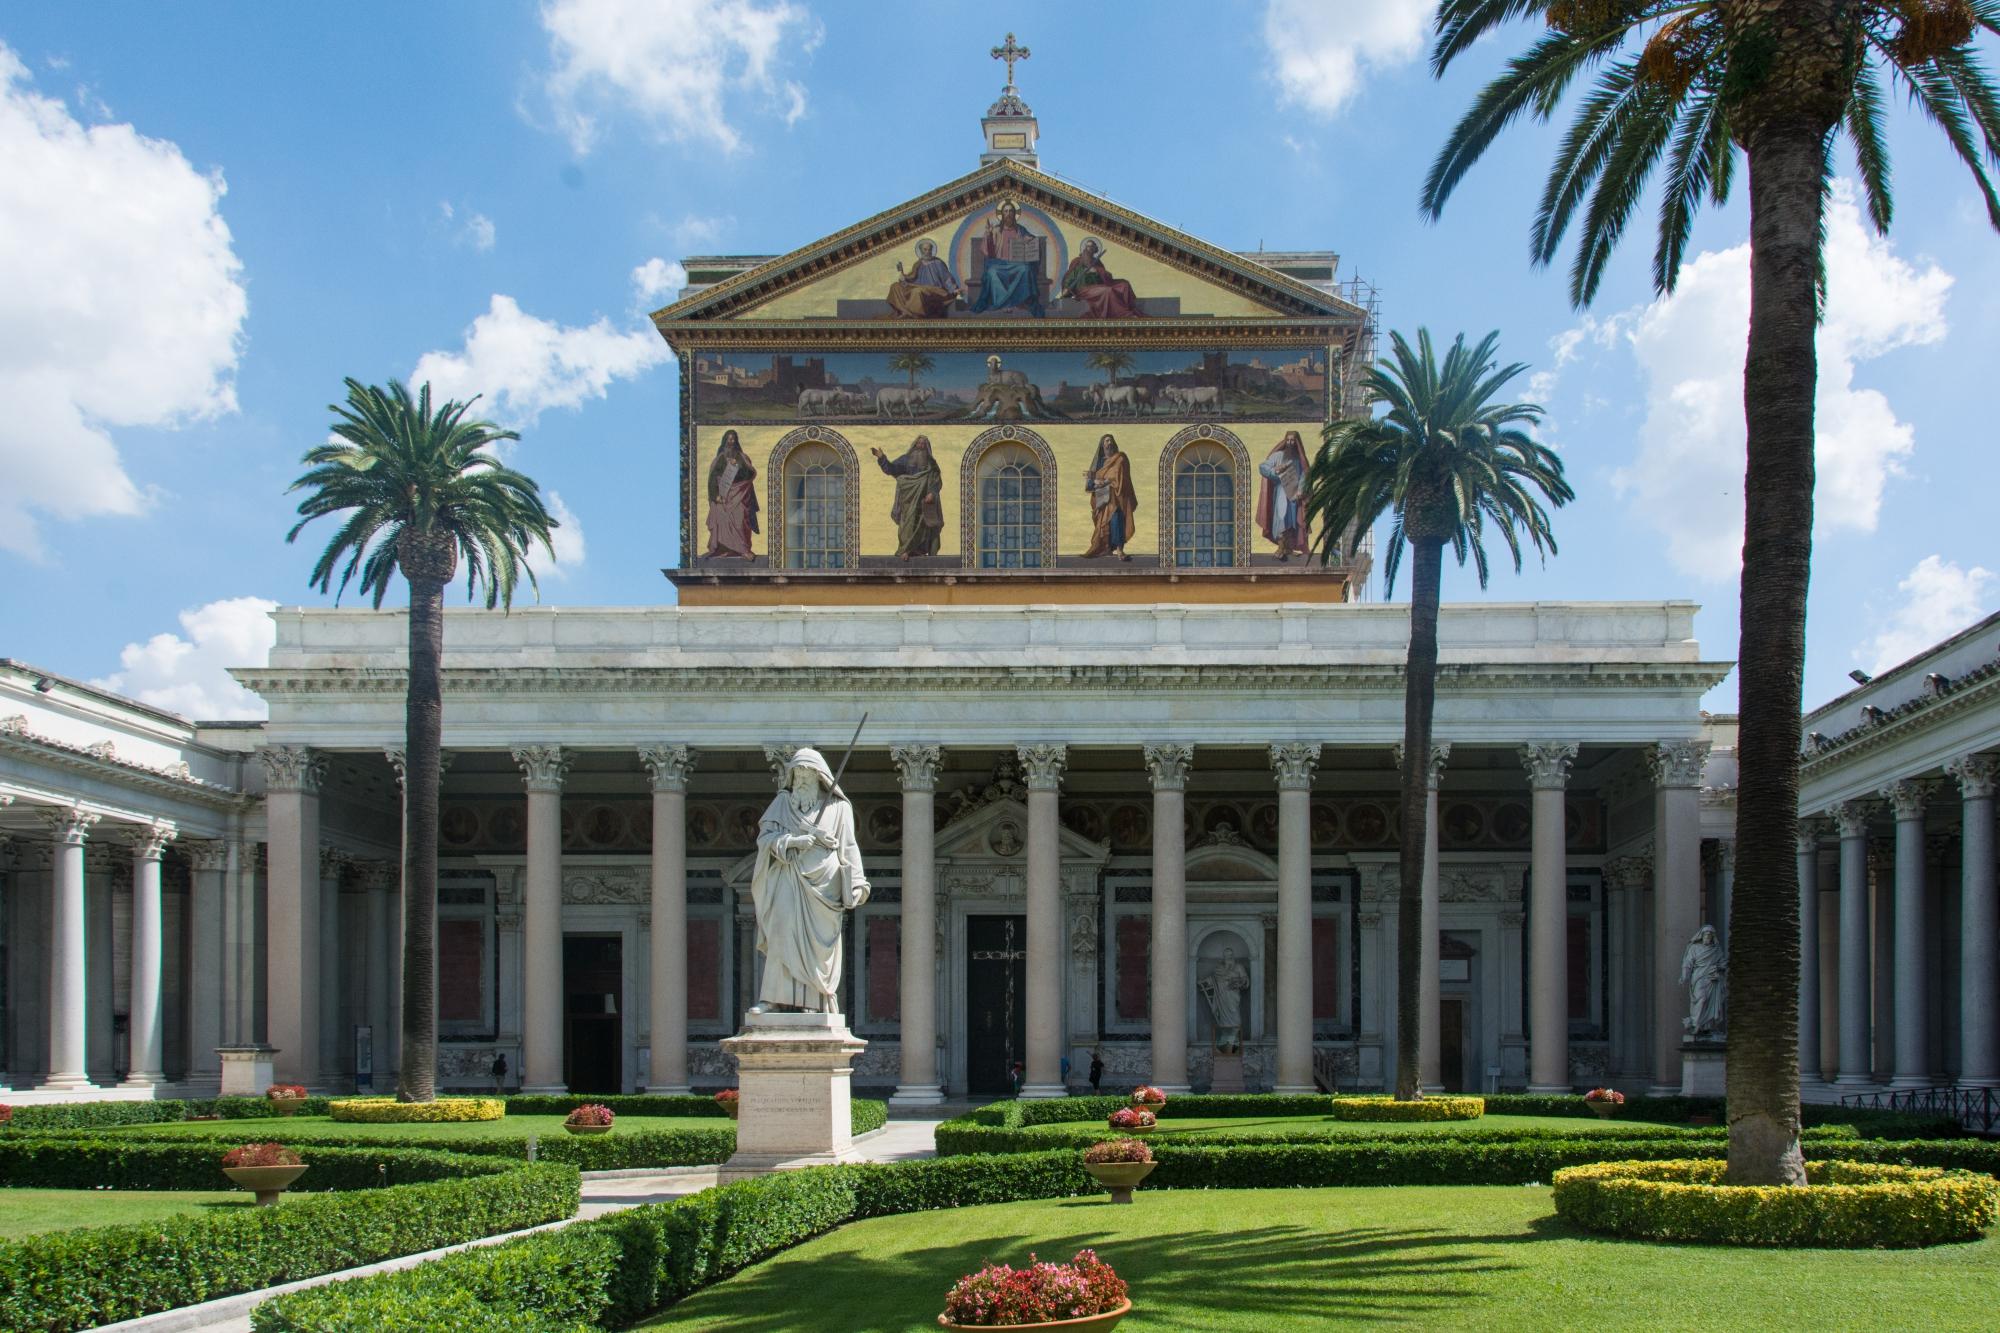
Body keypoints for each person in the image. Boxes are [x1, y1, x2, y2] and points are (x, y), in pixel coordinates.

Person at [748, 748, 870, 1015]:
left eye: (806, 774)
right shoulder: (781, 804)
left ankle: (813, 1003)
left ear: (819, 776)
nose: (801, 780)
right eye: (797, 774)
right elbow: (765, 840)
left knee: (817, 949)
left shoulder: (839, 808)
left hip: (823, 887)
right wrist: (793, 841)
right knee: (781, 934)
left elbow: (849, 848)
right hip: (787, 879)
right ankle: (771, 999)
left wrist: (858, 882)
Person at [966, 200, 1046, 316]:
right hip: (999, 264)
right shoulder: (995, 230)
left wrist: (1030, 240)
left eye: (1011, 211)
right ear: (1002, 214)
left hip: (1016, 264)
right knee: (991, 272)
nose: (1008, 214)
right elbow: (988, 252)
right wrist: (988, 235)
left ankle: (1020, 302)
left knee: (1026, 269)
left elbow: (1032, 241)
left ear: (1014, 214)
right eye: (1006, 211)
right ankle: (1002, 304)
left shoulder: (1020, 230)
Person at [871, 436, 944, 558]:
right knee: (907, 526)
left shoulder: (931, 463)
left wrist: (932, 492)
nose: (920, 446)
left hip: (924, 501)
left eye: (923, 444)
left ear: (927, 447)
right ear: (914, 445)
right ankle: (905, 550)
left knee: (924, 527)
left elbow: (936, 479)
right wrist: (882, 458)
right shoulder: (905, 460)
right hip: (909, 500)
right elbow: (891, 469)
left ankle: (918, 551)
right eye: (918, 443)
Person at [704, 430, 760, 559]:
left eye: (733, 439)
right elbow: (712, 479)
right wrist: (715, 496)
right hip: (723, 497)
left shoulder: (742, 457)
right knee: (719, 514)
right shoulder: (719, 459)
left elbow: (749, 474)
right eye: (729, 439)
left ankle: (743, 549)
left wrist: (738, 466)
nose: (731, 442)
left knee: (740, 518)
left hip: (739, 495)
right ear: (725, 441)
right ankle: (723, 549)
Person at [1256, 430, 1309, 560]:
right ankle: (1281, 547)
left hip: (1294, 495)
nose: (1290, 443)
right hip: (1280, 492)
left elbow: (1305, 475)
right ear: (1285, 441)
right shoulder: (1278, 456)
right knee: (1280, 519)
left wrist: (1301, 490)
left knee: (1292, 521)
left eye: (1293, 440)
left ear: (1297, 442)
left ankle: (1289, 549)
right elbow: (1263, 467)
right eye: (1288, 440)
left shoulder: (1299, 459)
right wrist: (1275, 470)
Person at [1083, 434, 1138, 560]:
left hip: (1117, 496)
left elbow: (1122, 476)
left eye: (1111, 441)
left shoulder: (1120, 458)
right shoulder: (1099, 462)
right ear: (1102, 445)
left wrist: (1107, 481)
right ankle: (1106, 548)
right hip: (1102, 497)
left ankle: (1119, 550)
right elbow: (1090, 482)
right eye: (1106, 441)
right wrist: (1096, 482)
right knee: (1103, 524)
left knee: (1116, 519)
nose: (1109, 443)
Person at [1059, 238, 1141, 318]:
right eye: (1087, 247)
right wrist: (1066, 289)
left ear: (1095, 249)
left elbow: (1106, 277)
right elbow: (1070, 277)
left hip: (1098, 287)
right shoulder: (1078, 262)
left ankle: (1129, 309)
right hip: (1084, 290)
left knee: (1124, 285)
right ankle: (1123, 314)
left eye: (1091, 247)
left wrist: (1097, 271)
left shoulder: (1097, 262)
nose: (1089, 249)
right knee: (1108, 291)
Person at [886, 239, 962, 319]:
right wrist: (904, 278)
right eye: (925, 249)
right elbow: (912, 277)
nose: (927, 252)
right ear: (921, 251)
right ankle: (903, 311)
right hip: (918, 287)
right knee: (895, 286)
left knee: (917, 292)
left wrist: (953, 289)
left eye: (929, 249)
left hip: (935, 290)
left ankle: (911, 315)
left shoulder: (938, 263)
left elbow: (947, 278)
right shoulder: (918, 264)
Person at [1680, 925, 1727, 1038]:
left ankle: (1707, 1027)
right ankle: (1696, 1024)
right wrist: (1684, 976)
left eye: (1710, 936)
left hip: (1712, 979)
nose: (1708, 937)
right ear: (1702, 936)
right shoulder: (1694, 948)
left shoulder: (1716, 949)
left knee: (1710, 1002)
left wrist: (1718, 968)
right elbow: (1687, 964)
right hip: (1699, 977)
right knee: (1702, 998)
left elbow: (1723, 963)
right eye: (1706, 935)